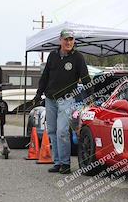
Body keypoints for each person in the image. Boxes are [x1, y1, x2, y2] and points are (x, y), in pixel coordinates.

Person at [33, 29, 92, 174]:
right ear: (60, 40)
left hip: (66, 100)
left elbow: (85, 78)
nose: (68, 42)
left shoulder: (78, 57)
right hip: (50, 99)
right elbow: (45, 76)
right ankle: (58, 162)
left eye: (71, 39)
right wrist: (38, 94)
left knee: (62, 131)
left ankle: (66, 163)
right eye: (66, 39)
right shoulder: (52, 55)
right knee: (52, 131)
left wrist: (91, 95)